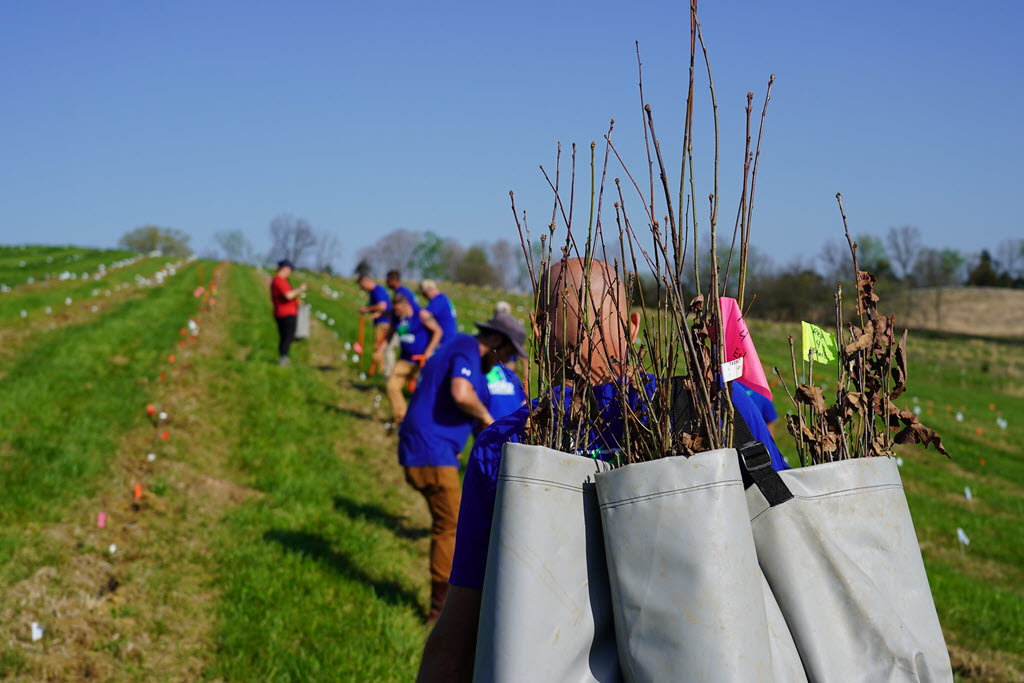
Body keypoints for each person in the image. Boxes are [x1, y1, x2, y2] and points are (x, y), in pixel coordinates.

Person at [416, 258, 786, 681]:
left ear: (537, 331)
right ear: (631, 326)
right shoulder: (719, 411)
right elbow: (781, 537)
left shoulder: (506, 446)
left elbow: (459, 637)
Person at [397, 310, 527, 625]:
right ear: (496, 340)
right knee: (451, 527)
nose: (504, 362)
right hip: (430, 450)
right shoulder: (467, 347)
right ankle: (439, 613)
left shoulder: (471, 361)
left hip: (435, 450)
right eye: (507, 353)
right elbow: (461, 393)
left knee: (450, 523)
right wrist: (487, 420)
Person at [375, 293, 443, 426]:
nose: (396, 312)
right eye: (395, 310)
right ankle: (401, 419)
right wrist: (379, 351)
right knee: (391, 386)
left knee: (424, 394)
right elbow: (389, 334)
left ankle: (423, 423)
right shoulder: (396, 316)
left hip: (420, 362)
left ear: (406, 305)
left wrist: (428, 351)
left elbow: (438, 331)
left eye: (399, 309)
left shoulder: (421, 315)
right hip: (404, 359)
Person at [481, 302, 527, 421]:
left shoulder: (511, 377)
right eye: (508, 353)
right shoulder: (481, 374)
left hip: (507, 372)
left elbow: (523, 401)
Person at [270, 259, 307, 366]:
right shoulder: (279, 280)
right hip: (286, 313)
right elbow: (288, 295)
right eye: (290, 269)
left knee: (285, 336)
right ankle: (284, 358)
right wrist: (300, 289)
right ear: (285, 269)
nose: (290, 272)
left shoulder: (279, 280)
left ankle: (283, 357)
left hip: (283, 312)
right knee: (287, 336)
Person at [357, 274, 393, 375]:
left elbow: (382, 306)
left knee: (379, 346)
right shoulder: (375, 291)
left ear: (366, 282)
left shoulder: (377, 290)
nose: (363, 289)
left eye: (362, 286)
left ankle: (382, 372)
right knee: (382, 347)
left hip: (383, 322)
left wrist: (367, 309)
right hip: (384, 321)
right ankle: (383, 371)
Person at [419, 279, 458, 343]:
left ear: (429, 290)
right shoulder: (443, 298)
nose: (424, 297)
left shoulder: (438, 300)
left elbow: (423, 314)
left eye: (424, 294)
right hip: (449, 338)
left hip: (444, 340)